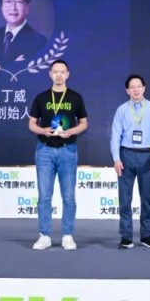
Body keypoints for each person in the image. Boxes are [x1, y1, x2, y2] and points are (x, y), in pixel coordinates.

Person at [28, 60, 88, 250]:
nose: (59, 75)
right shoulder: (41, 97)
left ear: (68, 74)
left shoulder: (75, 97)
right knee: (44, 196)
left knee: (68, 196)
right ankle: (44, 235)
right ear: (50, 74)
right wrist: (42, 130)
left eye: (62, 72)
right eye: (55, 72)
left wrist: (71, 132)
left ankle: (67, 235)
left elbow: (84, 123)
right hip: (44, 150)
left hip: (67, 150)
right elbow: (31, 123)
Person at [110, 74, 150, 249]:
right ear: (127, 90)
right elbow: (115, 136)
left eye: (139, 86)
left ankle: (146, 235)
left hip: (147, 156)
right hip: (125, 155)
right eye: (132, 87)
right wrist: (116, 158)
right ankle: (126, 236)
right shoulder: (121, 110)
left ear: (144, 88)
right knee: (124, 199)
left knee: (147, 198)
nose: (136, 90)